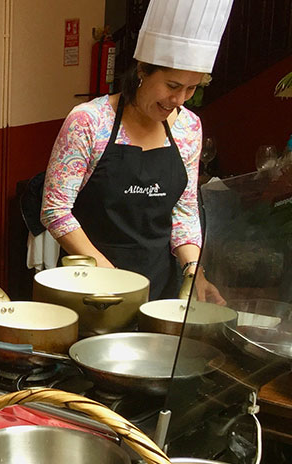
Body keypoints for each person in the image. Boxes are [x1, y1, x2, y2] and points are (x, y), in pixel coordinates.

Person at [41, 0, 231, 302]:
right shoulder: (89, 121)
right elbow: (55, 210)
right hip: (94, 288)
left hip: (161, 289)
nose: (179, 99)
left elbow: (184, 210)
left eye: (192, 89)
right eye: (172, 85)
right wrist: (106, 271)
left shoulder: (189, 128)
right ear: (143, 70)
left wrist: (194, 273)